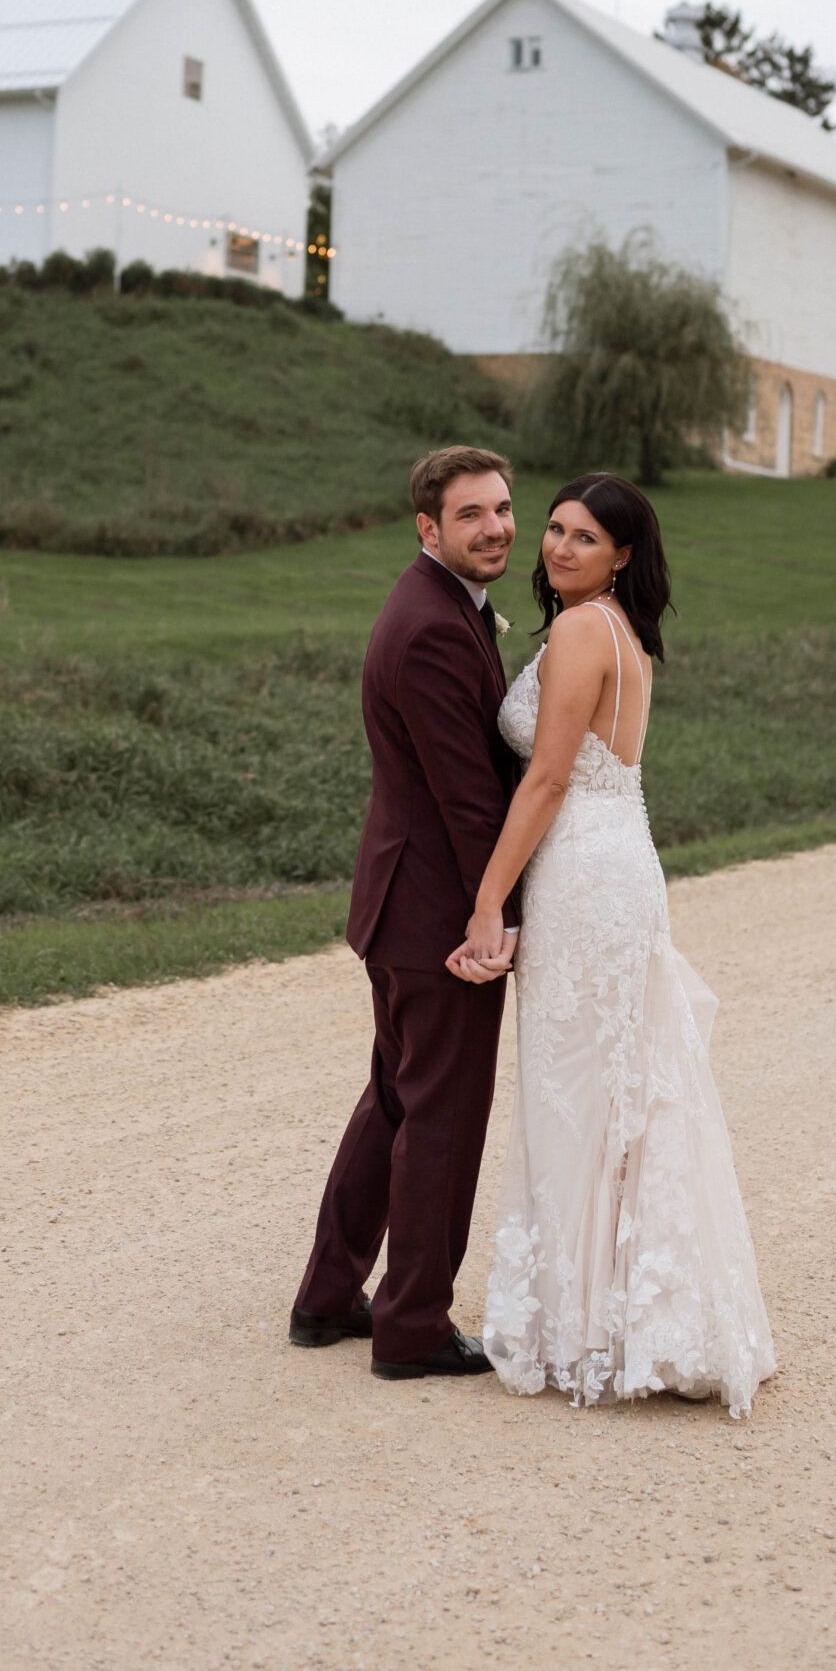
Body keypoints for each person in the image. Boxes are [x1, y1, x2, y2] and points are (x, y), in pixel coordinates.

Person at [449, 473, 775, 1416]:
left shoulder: (587, 630)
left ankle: (591, 1325)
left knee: (581, 1089)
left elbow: (547, 779)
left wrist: (486, 902)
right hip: (619, 860)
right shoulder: (616, 633)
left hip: (583, 874)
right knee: (615, 1085)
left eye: (584, 537)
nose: (556, 547)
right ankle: (636, 1315)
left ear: (623, 555)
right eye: (552, 529)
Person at [290, 446, 523, 1379]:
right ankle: (414, 1322)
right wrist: (492, 915)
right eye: (472, 516)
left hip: (402, 903)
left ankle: (325, 1297)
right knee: (442, 1114)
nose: (497, 527)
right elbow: (468, 799)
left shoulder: (441, 604)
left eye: (504, 508)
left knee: (396, 1098)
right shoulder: (430, 626)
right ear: (428, 529)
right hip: (438, 917)